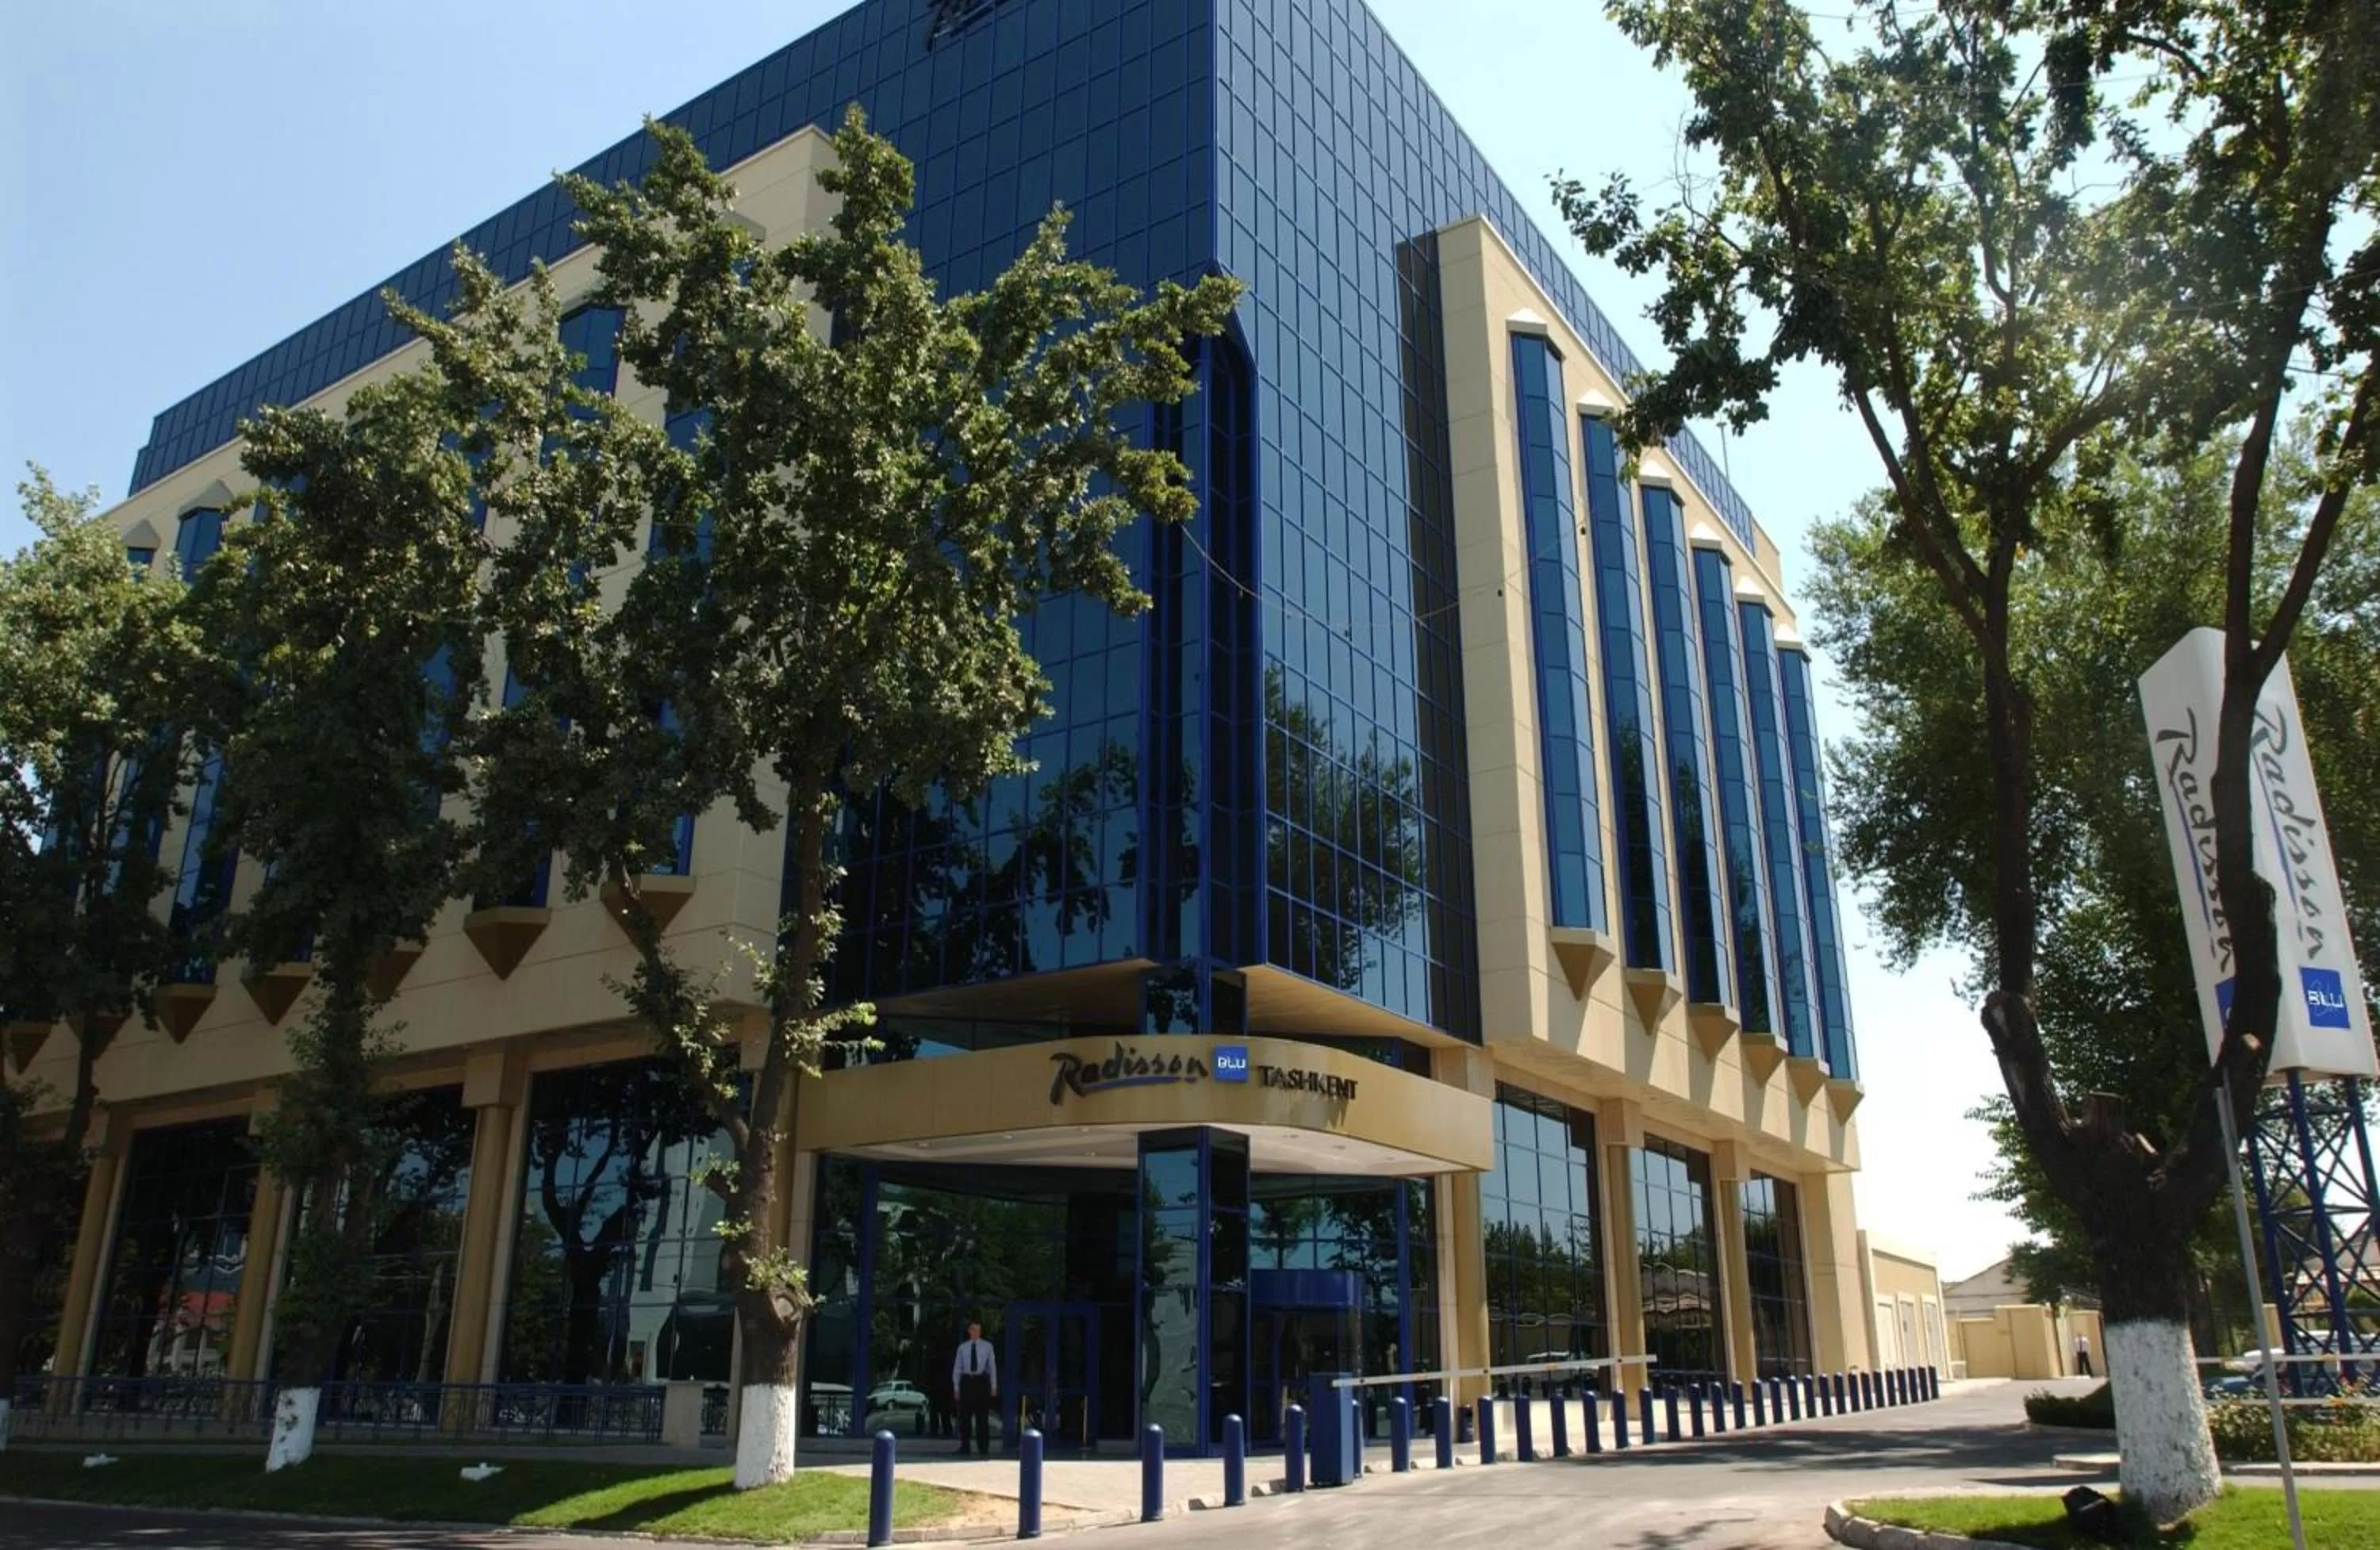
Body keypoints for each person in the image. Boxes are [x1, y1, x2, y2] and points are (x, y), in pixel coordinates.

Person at [951, 1319, 998, 1456]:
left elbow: (992, 1367)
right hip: (967, 1381)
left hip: (981, 1382)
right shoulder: (963, 1347)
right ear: (969, 1331)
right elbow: (957, 1367)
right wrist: (956, 1387)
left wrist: (994, 1386)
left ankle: (983, 1448)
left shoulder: (987, 1346)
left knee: (982, 1417)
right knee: (965, 1417)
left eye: (978, 1330)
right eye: (974, 1330)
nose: (976, 1333)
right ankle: (965, 1447)